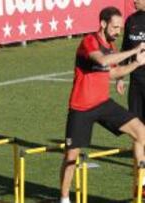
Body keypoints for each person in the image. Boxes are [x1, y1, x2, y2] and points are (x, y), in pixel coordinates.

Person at [59, 7, 145, 203]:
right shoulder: (89, 41)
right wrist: (133, 50)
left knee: (141, 131)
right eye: (115, 27)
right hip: (81, 107)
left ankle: (142, 185)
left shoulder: (111, 46)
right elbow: (103, 60)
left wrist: (136, 64)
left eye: (120, 28)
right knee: (71, 156)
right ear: (103, 24)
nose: (118, 31)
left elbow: (112, 73)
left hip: (103, 103)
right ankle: (64, 198)